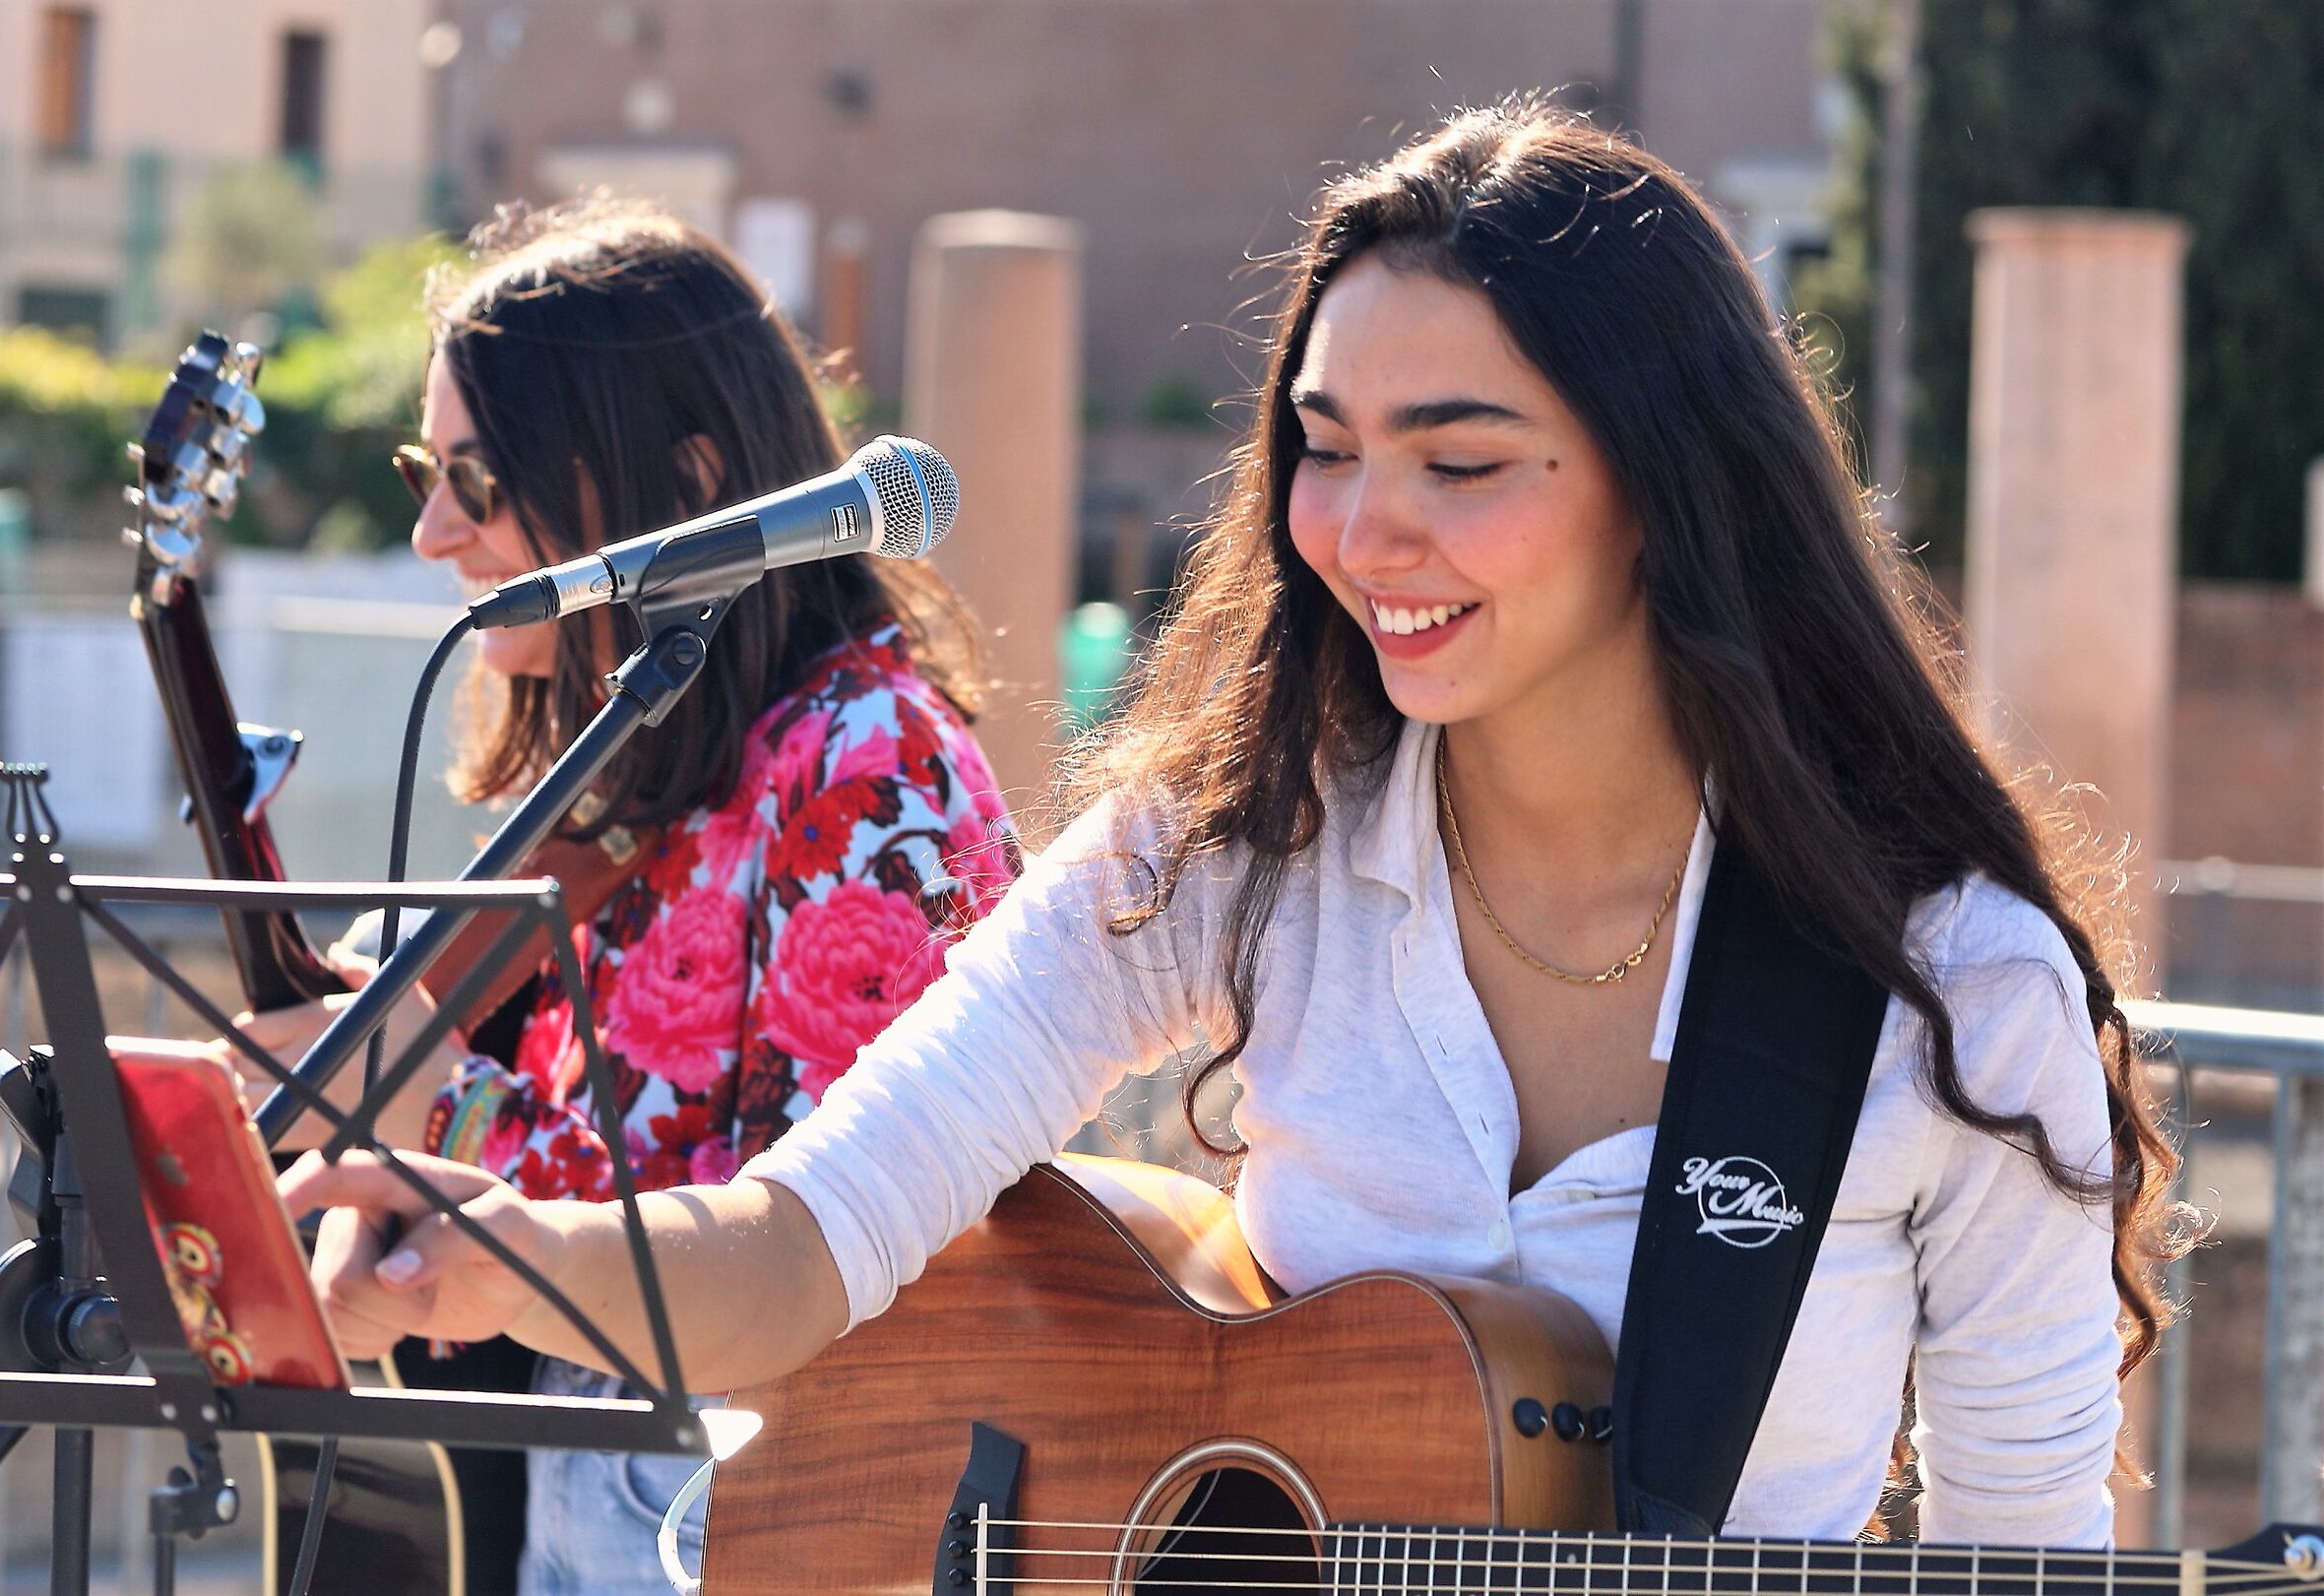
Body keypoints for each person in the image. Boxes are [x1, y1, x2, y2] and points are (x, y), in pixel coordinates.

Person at [282, 103, 2179, 1553]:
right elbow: (808, 1236)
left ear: (1671, 493)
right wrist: (509, 1248)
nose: (1361, 529)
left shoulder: (1957, 995)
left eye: (1460, 460)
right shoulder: (1225, 852)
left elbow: (2026, 1549)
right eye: (1324, 450)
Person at [235, 197, 1017, 1591]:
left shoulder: (872, 768)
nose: (431, 532)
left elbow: (844, 1259)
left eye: (478, 479)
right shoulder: (636, 764)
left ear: (686, 481)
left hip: (768, 1521)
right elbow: (587, 1154)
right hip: (587, 1497)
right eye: (426, 470)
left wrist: (436, 1105)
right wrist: (396, 1219)